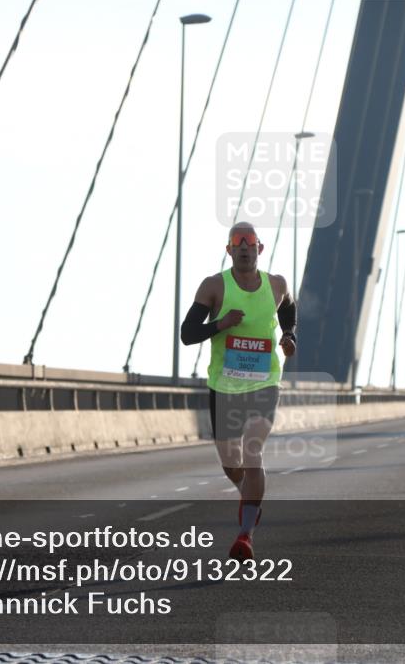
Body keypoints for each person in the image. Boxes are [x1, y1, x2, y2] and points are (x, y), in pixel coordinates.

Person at [180, 222, 296, 561]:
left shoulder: (276, 285)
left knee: (252, 452)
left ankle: (245, 535)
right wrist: (221, 323)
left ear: (260, 248)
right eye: (236, 242)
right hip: (224, 386)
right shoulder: (214, 286)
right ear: (229, 250)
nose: (244, 247)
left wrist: (289, 336)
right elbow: (187, 334)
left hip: (264, 383)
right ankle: (249, 499)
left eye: (250, 242)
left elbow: (288, 308)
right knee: (232, 464)